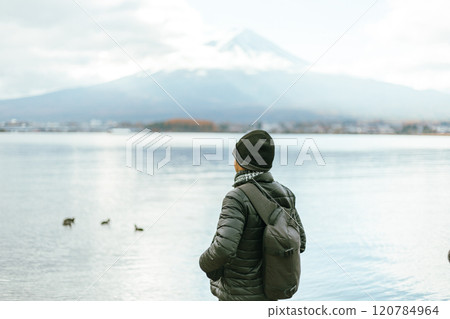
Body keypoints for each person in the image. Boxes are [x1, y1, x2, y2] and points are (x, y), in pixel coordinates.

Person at [199, 129, 306, 301]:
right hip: (270, 294)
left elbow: (223, 249)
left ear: (242, 163)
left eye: (236, 157)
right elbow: (300, 243)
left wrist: (203, 263)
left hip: (237, 298)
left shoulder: (236, 197)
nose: (234, 162)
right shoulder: (286, 194)